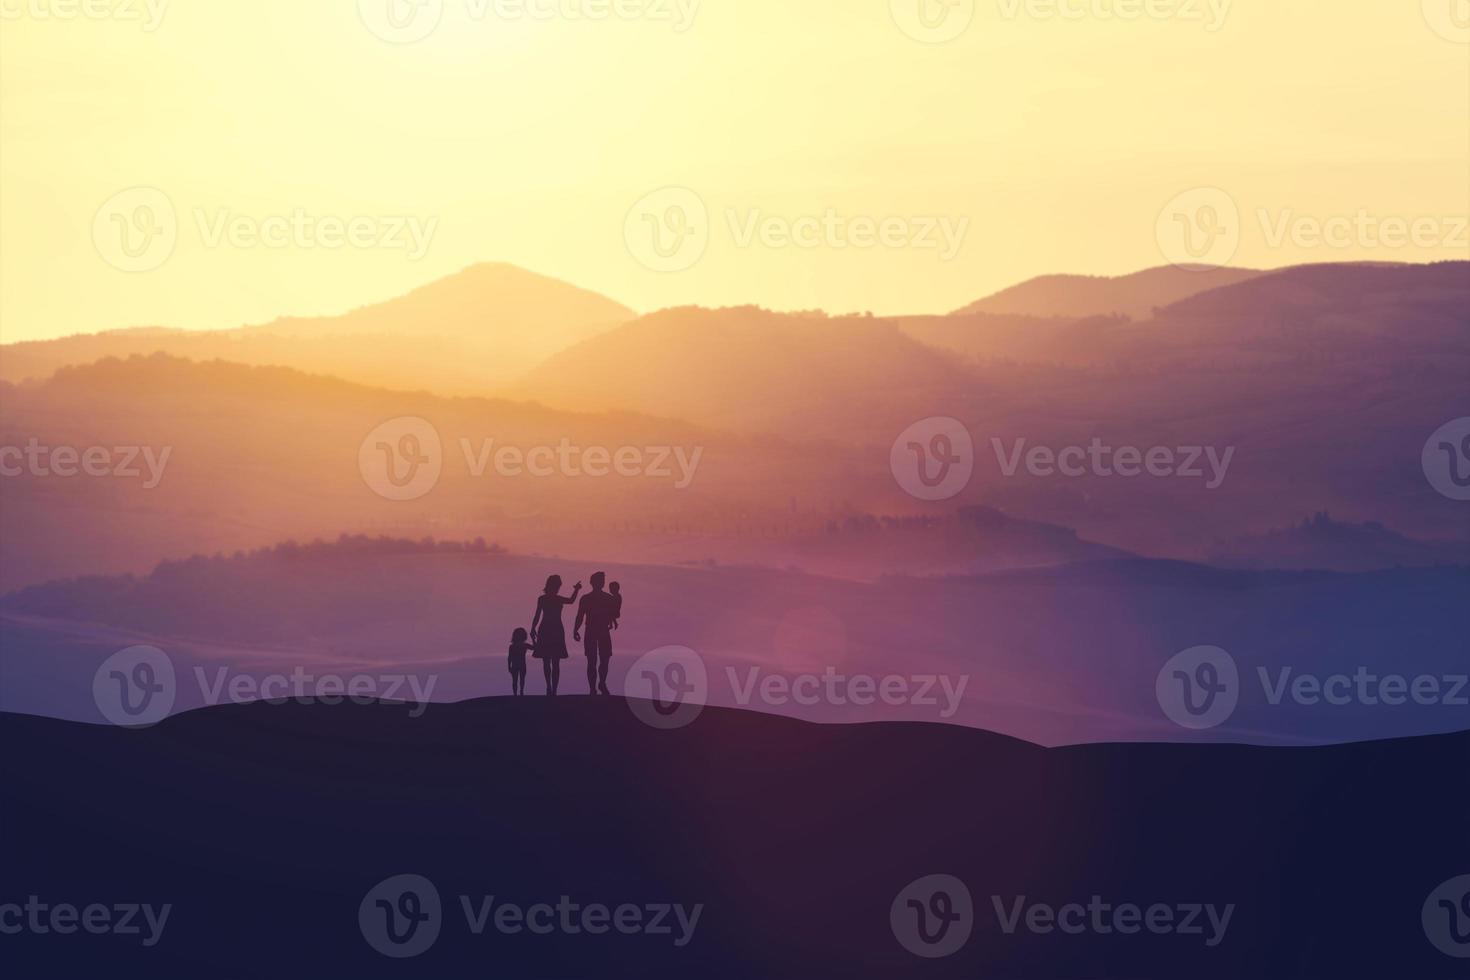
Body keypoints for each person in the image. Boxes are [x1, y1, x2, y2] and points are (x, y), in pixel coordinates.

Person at [530, 574, 581, 696]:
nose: (558, 588)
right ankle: (550, 687)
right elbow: (537, 615)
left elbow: (571, 601)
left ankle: (553, 689)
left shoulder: (546, 599)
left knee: (552, 661)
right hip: (550, 630)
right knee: (548, 661)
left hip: (553, 630)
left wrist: (576, 590)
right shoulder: (545, 599)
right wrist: (532, 628)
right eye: (557, 585)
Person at [573, 571, 619, 695]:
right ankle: (592, 688)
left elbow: (615, 613)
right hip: (591, 630)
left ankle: (602, 683)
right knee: (591, 660)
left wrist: (612, 617)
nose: (601, 583)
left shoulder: (608, 598)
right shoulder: (586, 598)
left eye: (602, 581)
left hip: (603, 630)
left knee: (605, 659)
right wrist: (575, 629)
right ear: (593, 582)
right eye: (599, 580)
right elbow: (580, 616)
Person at [507, 628, 535, 696]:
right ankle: (520, 692)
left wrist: (509, 666)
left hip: (516, 665)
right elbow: (535, 647)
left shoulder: (512, 646)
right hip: (521, 665)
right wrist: (533, 639)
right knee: (520, 680)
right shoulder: (524, 645)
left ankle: (516, 694)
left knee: (515, 681)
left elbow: (509, 657)